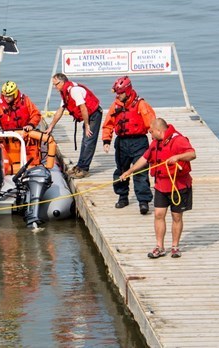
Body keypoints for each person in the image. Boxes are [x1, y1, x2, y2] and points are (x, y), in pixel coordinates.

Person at [120, 118, 196, 258]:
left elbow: (192, 154)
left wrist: (178, 157)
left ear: (159, 131)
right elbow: (144, 159)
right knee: (158, 214)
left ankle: (175, 246)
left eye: (151, 131)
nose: (150, 134)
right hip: (161, 185)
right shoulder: (155, 143)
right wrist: (129, 172)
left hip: (178, 186)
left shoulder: (178, 140)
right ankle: (159, 247)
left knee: (176, 216)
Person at [102, 76, 156, 214]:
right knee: (121, 170)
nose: (118, 96)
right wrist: (106, 140)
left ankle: (143, 201)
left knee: (141, 171)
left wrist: (156, 140)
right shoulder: (116, 106)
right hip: (122, 143)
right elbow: (108, 124)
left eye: (120, 93)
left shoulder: (141, 104)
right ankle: (123, 196)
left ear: (127, 91)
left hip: (139, 141)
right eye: (117, 93)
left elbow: (151, 122)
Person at [44, 73, 102, 179]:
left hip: (94, 114)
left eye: (55, 84)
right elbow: (60, 111)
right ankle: (80, 166)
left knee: (89, 141)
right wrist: (51, 126)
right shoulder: (65, 93)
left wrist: (87, 124)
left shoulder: (74, 91)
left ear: (62, 82)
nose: (55, 87)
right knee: (85, 141)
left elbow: (83, 108)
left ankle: (84, 169)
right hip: (87, 116)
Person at [0, 81, 42, 164]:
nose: (6, 98)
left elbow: (36, 114)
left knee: (33, 160)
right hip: (8, 140)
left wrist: (31, 125)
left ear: (14, 94)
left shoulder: (26, 101)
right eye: (4, 96)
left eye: (9, 96)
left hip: (25, 138)